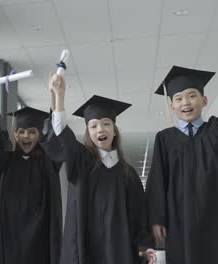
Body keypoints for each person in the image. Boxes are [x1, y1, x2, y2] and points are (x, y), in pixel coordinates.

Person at [146, 65, 218, 264]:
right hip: (182, 222)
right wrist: (157, 218)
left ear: (204, 101)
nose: (185, 102)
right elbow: (157, 182)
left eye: (191, 96)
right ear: (172, 106)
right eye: (178, 98)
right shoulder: (165, 140)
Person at [42, 73, 156, 264]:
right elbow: (62, 133)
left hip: (119, 251)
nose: (100, 130)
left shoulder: (128, 174)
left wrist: (144, 247)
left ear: (114, 129)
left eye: (106, 124)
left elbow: (139, 217)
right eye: (93, 126)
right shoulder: (81, 162)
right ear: (88, 132)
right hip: (85, 249)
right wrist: (58, 96)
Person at [0, 76, 62, 264]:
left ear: (39, 135)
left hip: (42, 239)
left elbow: (54, 131)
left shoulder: (48, 160)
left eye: (32, 131)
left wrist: (55, 94)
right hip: (12, 239)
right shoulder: (7, 161)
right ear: (15, 134)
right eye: (21, 132)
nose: (25, 136)